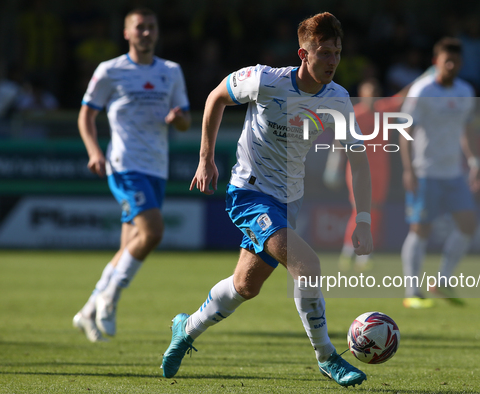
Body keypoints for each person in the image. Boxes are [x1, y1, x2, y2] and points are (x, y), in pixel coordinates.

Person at [161, 12, 373, 388]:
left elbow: (358, 160)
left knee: (245, 286)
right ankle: (327, 357)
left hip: (290, 200)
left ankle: (186, 327)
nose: (333, 61)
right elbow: (215, 98)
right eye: (324, 52)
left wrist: (365, 219)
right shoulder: (265, 79)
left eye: (337, 52)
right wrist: (205, 159)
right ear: (303, 54)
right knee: (307, 264)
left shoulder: (338, 99)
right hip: (250, 192)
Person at [73, 7, 191, 342]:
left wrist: (176, 119)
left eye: (151, 27)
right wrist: (95, 152)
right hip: (124, 164)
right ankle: (110, 299)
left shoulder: (171, 71)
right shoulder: (110, 70)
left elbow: (185, 120)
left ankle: (88, 309)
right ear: (126, 33)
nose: (146, 33)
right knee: (153, 232)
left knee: (130, 244)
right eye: (139, 27)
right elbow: (86, 116)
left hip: (157, 167)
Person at [399, 37, 480, 309]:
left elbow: (466, 129)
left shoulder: (466, 91)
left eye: (456, 61)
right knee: (420, 229)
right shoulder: (421, 91)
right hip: (425, 172)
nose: (451, 65)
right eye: (447, 61)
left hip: (453, 173)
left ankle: (442, 281)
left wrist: (473, 159)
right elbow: (405, 132)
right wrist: (408, 170)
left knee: (468, 225)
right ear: (436, 62)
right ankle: (412, 292)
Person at [323, 78, 397, 271]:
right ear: (362, 95)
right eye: (368, 93)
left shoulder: (384, 110)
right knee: (360, 210)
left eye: (375, 93)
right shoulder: (354, 114)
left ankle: (362, 253)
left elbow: (403, 97)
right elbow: (339, 142)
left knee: (376, 211)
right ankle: (352, 252)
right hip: (358, 170)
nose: (372, 97)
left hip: (381, 171)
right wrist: (333, 166)